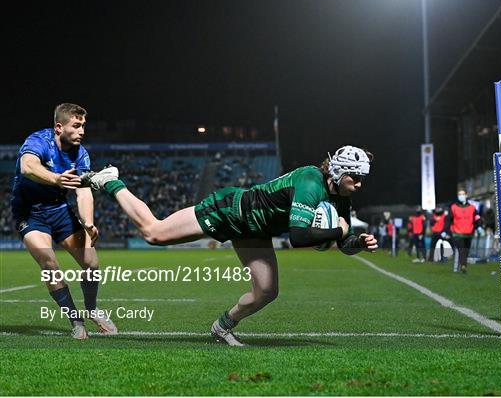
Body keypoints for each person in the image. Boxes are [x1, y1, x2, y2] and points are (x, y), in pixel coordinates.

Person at [81, 145, 378, 346]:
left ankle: (221, 327)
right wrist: (337, 230)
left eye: (363, 178)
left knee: (267, 291)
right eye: (357, 177)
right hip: (232, 210)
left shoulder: (341, 197)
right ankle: (110, 182)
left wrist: (358, 242)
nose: (361, 184)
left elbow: (341, 240)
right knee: (154, 234)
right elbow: (299, 237)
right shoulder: (311, 182)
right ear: (339, 171)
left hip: (255, 230)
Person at [10, 103, 117, 339]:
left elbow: (84, 190)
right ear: (59, 127)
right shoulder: (39, 140)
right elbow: (27, 166)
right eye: (76, 126)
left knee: (92, 264)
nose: (82, 131)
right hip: (30, 213)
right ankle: (76, 321)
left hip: (60, 211)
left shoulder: (81, 154)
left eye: (83, 126)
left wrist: (88, 222)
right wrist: (55, 178)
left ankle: (92, 309)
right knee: (49, 264)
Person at [443, 189, 481, 273]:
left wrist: (478, 227)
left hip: (469, 233)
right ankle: (463, 265)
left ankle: (462, 265)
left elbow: (477, 218)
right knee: (461, 249)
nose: (461, 196)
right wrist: (445, 231)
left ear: (466, 195)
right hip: (457, 233)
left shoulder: (472, 208)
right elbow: (448, 220)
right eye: (459, 194)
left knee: (466, 250)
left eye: (463, 194)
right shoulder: (453, 207)